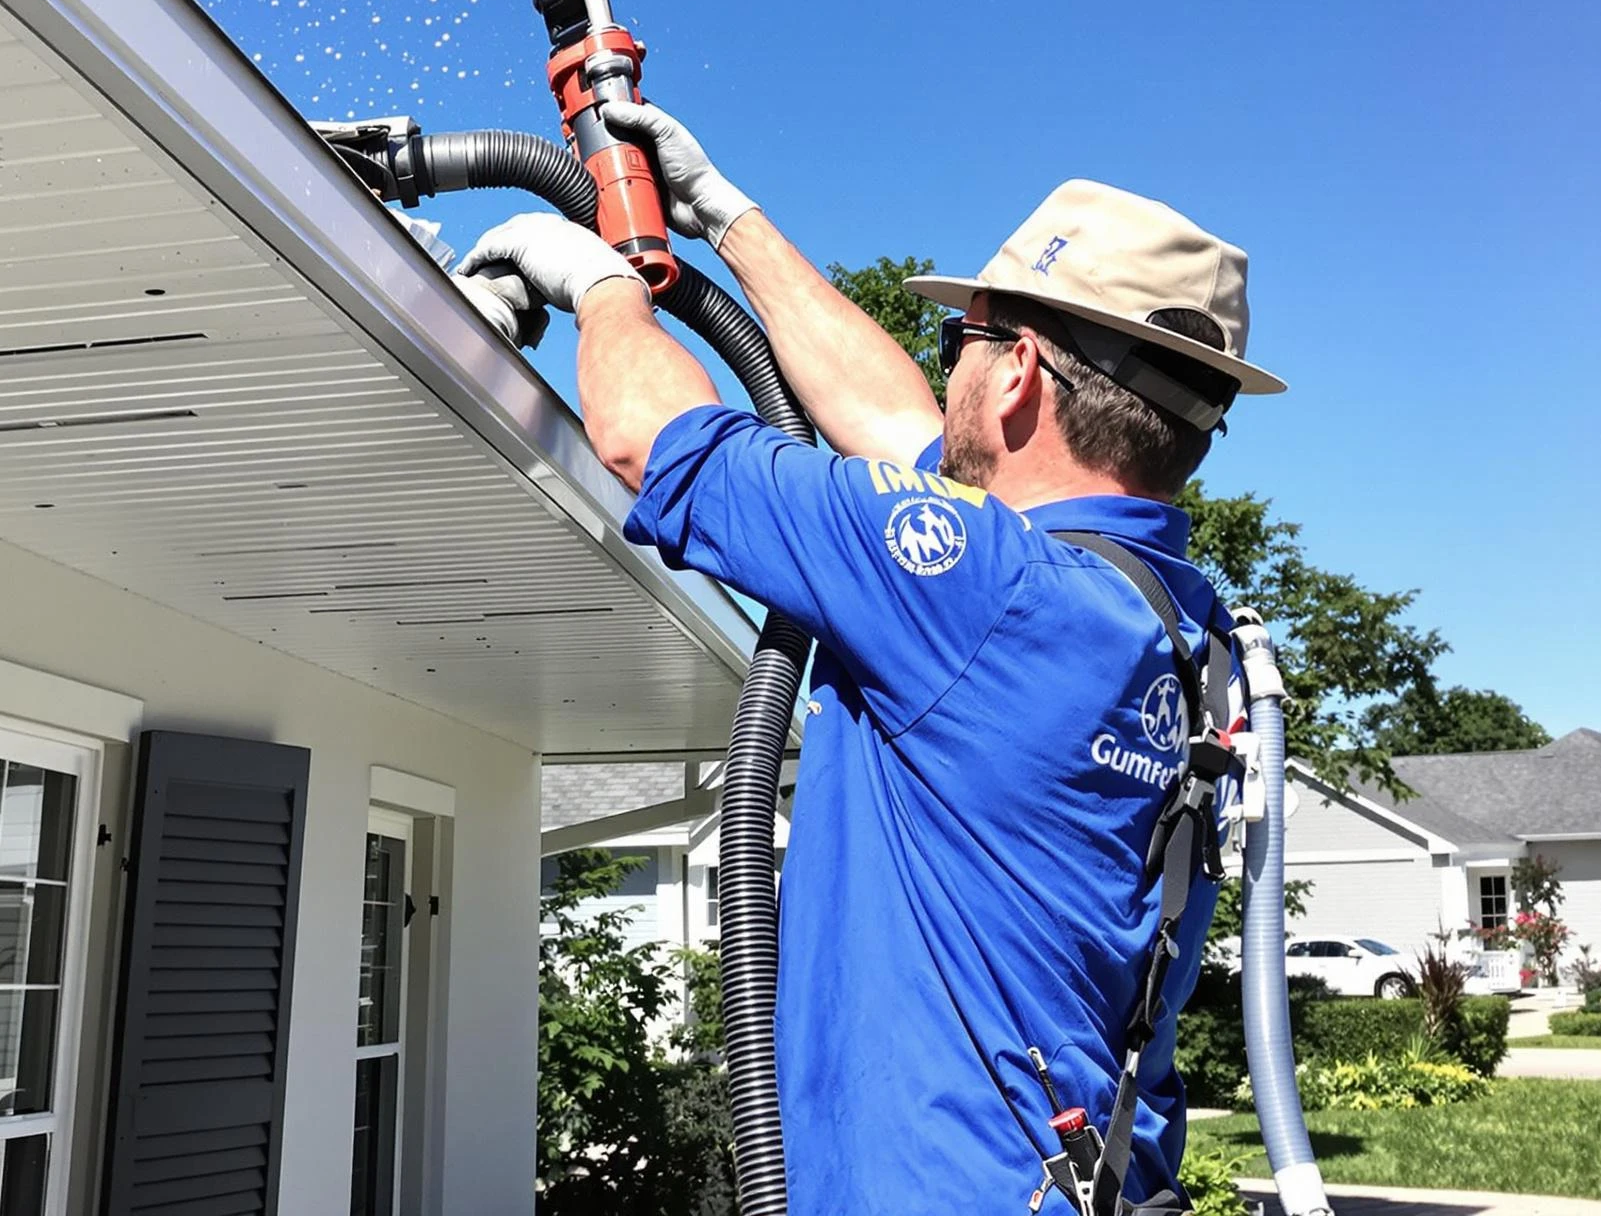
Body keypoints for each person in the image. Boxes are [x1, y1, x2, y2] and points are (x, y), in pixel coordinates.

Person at [456, 100, 1285, 1215]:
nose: (946, 373)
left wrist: (594, 283)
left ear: (1019, 375)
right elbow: (897, 434)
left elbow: (652, 444)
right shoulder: (1175, 627)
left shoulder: (985, 592)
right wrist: (726, 219)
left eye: (965, 343)